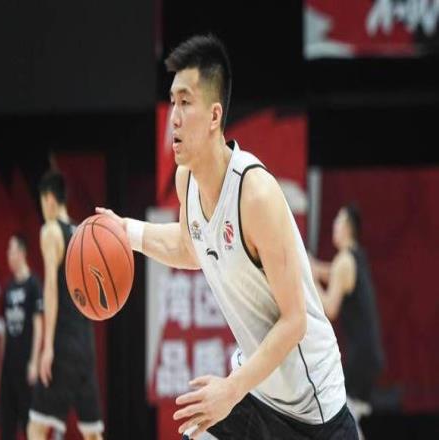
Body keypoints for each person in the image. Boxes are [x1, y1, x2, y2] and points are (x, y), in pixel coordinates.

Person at [96, 34, 357, 439]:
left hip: (312, 409)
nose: (173, 117)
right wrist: (124, 231)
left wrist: (231, 390)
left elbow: (295, 322)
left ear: (214, 115)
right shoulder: (186, 181)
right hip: (257, 389)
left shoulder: (256, 195)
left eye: (186, 103)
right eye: (172, 102)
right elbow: (189, 246)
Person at [27, 171, 104, 440]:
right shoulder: (81, 232)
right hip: (86, 345)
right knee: (92, 432)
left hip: (62, 343)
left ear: (49, 198)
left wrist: (47, 346)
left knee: (36, 427)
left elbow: (50, 286)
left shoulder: (50, 231)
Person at [310, 204, 384, 439]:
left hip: (359, 357)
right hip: (368, 355)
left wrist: (310, 279)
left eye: (338, 221)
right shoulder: (355, 256)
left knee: (344, 416)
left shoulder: (344, 260)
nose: (334, 225)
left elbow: (330, 308)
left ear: (347, 228)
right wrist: (313, 267)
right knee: (347, 417)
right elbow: (331, 272)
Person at [0, 234, 43, 440]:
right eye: (8, 251)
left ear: (22, 253)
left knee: (29, 424)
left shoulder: (33, 284)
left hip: (26, 366)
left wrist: (34, 362)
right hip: (9, 366)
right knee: (6, 426)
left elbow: (38, 324)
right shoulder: (8, 287)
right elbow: (4, 328)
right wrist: (0, 367)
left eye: (12, 250)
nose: (9, 255)